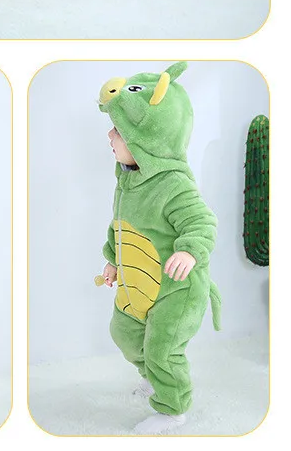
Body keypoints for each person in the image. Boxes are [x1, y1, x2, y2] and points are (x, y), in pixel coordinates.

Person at [97, 63, 221, 435]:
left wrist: (189, 251)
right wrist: (113, 261)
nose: (110, 135)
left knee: (162, 349)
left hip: (176, 288)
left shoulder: (173, 184)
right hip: (140, 282)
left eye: (119, 131)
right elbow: (119, 226)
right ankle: (153, 376)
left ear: (146, 141)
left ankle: (172, 409)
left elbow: (202, 222)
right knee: (124, 332)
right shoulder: (128, 181)